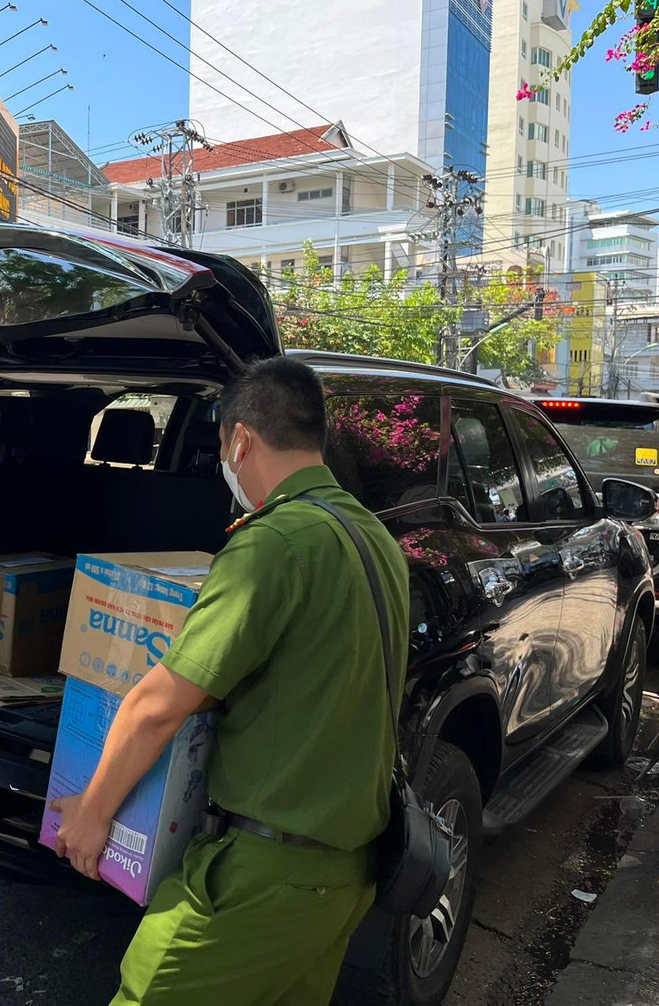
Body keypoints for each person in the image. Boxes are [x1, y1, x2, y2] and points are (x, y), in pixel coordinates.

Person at [50, 357, 411, 1006]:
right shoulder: (375, 537)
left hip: (262, 874)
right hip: (344, 869)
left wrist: (92, 810)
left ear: (240, 440)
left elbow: (159, 706)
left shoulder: (273, 544)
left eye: (222, 448)